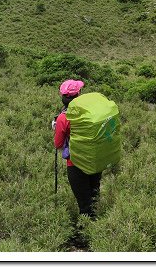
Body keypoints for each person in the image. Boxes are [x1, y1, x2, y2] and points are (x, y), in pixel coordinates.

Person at [53, 79, 102, 218]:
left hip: (75, 163)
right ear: (79, 95)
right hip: (95, 159)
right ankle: (99, 226)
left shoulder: (63, 118)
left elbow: (58, 144)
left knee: (84, 204)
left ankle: (87, 231)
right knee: (94, 195)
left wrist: (56, 128)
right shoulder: (91, 111)